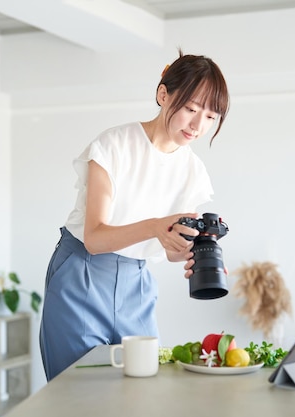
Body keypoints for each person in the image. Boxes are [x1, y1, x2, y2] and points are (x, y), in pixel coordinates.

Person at [39, 49, 230, 381]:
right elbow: (96, 238)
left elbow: (169, 250)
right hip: (81, 274)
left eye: (211, 116)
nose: (198, 125)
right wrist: (157, 227)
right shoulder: (114, 145)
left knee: (139, 393)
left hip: (136, 285)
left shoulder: (193, 172)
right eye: (191, 108)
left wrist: (189, 253)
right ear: (163, 94)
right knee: (77, 394)